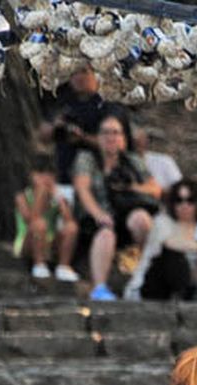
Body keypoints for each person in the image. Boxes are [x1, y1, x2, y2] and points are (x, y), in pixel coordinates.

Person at [73, 110, 161, 302]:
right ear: (97, 136)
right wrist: (99, 214)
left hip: (126, 214)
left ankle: (146, 275)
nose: (111, 138)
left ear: (124, 137)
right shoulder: (87, 158)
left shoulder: (133, 160)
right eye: (105, 133)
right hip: (96, 218)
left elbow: (155, 189)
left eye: (116, 133)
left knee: (142, 220)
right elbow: (83, 189)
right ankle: (100, 288)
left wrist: (131, 186)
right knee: (106, 233)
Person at [125, 178, 197, 301]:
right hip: (150, 286)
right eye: (179, 200)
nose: (184, 205)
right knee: (173, 258)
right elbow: (168, 243)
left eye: (190, 200)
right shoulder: (162, 222)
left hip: (188, 285)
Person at [14, 152, 79, 283]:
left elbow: (69, 222)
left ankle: (63, 266)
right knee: (40, 224)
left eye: (49, 174)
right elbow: (31, 221)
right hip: (28, 241)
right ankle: (39, 264)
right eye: (41, 174)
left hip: (50, 243)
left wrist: (60, 200)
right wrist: (41, 195)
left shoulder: (57, 196)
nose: (45, 178)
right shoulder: (22, 197)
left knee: (71, 227)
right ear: (32, 175)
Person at [50, 67, 108, 186]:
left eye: (84, 71)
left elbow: (114, 143)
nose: (79, 77)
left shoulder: (105, 104)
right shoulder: (65, 101)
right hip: (65, 174)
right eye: (74, 73)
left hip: (96, 177)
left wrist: (83, 137)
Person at [133, 127, 183, 192]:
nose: (137, 143)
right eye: (134, 140)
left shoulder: (164, 161)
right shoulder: (119, 163)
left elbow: (179, 189)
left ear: (147, 140)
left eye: (141, 139)